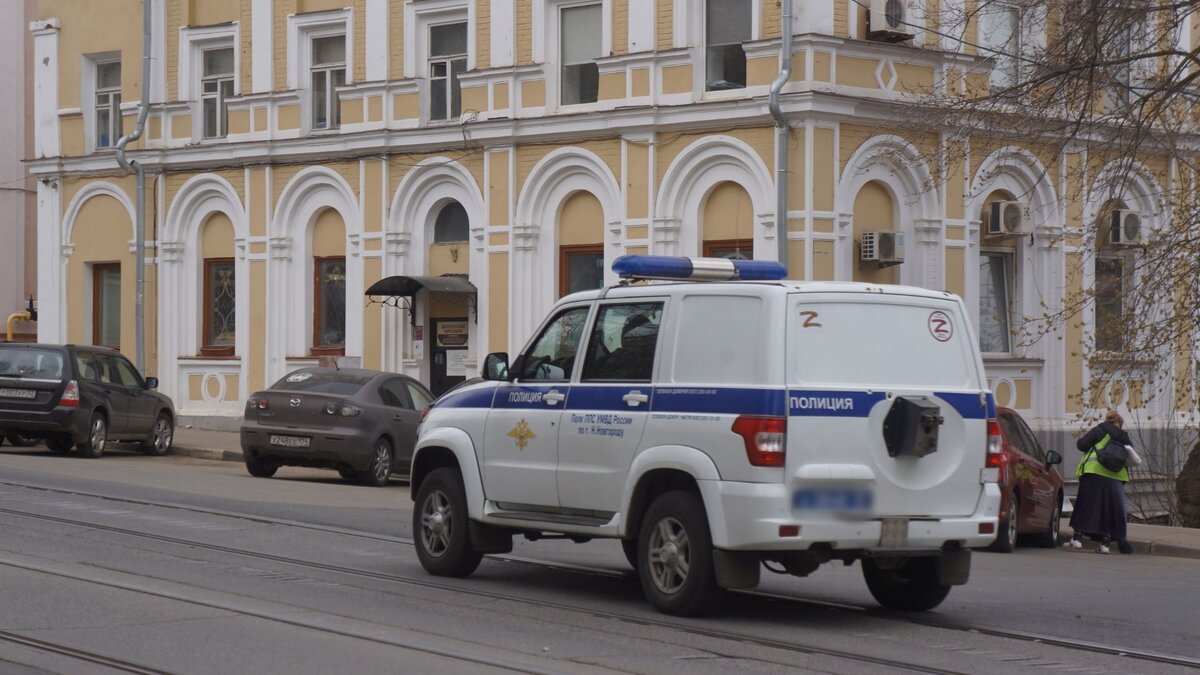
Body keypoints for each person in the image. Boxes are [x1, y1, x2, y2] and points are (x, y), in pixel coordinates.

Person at [1065, 410, 1134, 554]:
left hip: (1094, 472)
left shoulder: (1099, 430)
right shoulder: (1124, 436)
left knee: (1086, 505)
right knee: (1108, 510)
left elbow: (1082, 445)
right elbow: (1129, 458)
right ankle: (1105, 545)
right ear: (1119, 424)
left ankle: (1077, 540)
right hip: (1116, 478)